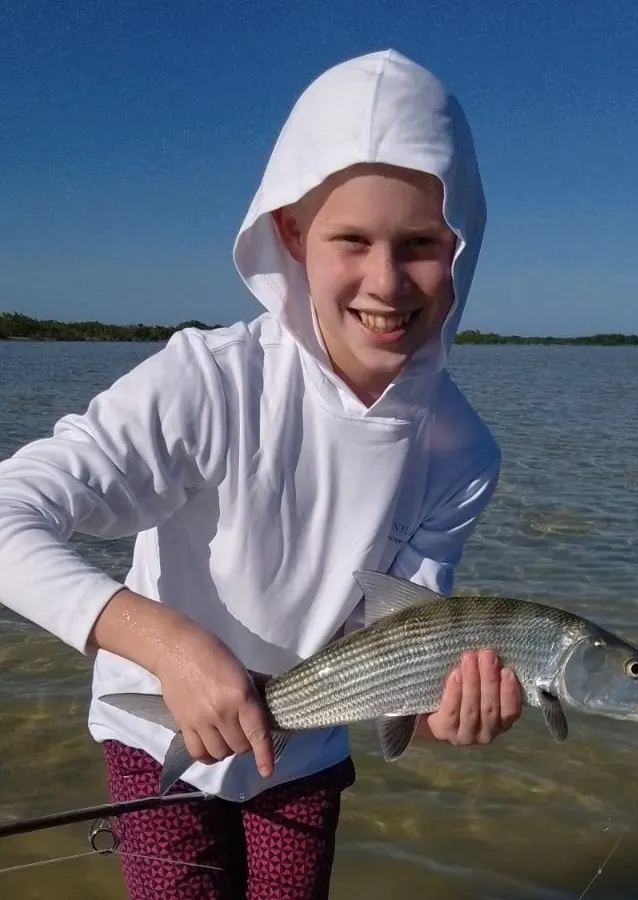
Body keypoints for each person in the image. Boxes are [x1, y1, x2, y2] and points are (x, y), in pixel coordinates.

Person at [0, 49, 522, 899]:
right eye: (350, 240)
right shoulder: (207, 381)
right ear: (289, 233)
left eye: (420, 244)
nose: (386, 282)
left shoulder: (463, 453)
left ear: (461, 246)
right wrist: (168, 645)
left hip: (307, 748)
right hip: (156, 726)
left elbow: (395, 638)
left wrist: (437, 709)